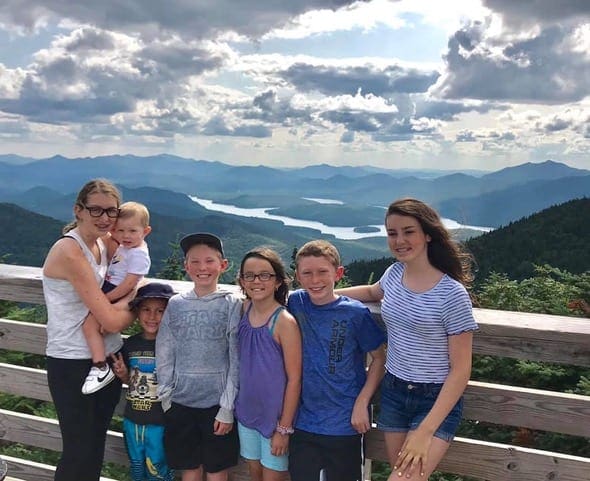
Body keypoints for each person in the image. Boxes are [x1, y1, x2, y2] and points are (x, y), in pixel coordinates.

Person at [337, 198, 478, 480]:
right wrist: (319, 294)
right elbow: (372, 292)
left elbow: (461, 371)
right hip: (394, 392)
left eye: (408, 231)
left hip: (434, 399)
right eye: (392, 233)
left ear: (427, 234)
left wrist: (425, 431)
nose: (399, 240)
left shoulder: (452, 295)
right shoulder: (394, 273)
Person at [42, 178, 135, 481]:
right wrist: (138, 294)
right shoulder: (69, 250)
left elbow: (133, 262)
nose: (105, 218)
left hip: (108, 360)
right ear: (78, 210)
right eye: (95, 210)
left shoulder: (103, 244)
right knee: (78, 451)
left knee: (94, 447)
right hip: (71, 362)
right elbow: (109, 321)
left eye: (111, 211)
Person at [287, 239, 386, 481]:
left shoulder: (355, 313)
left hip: (345, 422)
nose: (315, 279)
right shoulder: (296, 302)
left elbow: (379, 359)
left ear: (338, 273)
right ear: (298, 276)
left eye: (323, 272)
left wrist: (363, 403)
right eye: (307, 273)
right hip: (303, 421)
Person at [156, 232, 242, 481]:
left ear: (223, 265)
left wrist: (227, 407)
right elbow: (165, 349)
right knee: (189, 468)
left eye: (209, 261)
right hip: (180, 402)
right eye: (194, 261)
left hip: (217, 405)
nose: (202, 267)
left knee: (217, 470)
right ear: (186, 266)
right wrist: (166, 396)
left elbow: (235, 358)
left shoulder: (231, 304)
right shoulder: (176, 304)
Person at [234, 247, 302, 481]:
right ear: (242, 281)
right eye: (249, 275)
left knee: (274, 476)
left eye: (265, 275)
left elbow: (294, 379)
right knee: (255, 473)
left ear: (278, 281)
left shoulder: (284, 321)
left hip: (275, 419)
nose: (256, 281)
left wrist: (284, 429)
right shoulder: (244, 309)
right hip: (246, 413)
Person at [82, 201, 152, 394]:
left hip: (115, 291)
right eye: (120, 230)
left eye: (132, 231)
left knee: (89, 325)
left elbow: (130, 283)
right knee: (99, 327)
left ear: (145, 231)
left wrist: (105, 298)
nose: (125, 236)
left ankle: (99, 366)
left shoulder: (139, 254)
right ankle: (101, 359)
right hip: (112, 289)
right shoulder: (126, 246)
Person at [111, 282, 175, 481]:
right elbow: (129, 380)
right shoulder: (130, 344)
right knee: (137, 464)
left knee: (158, 465)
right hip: (133, 418)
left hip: (161, 420)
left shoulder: (173, 344)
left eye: (159, 311)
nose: (152, 316)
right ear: (137, 312)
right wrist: (122, 374)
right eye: (146, 309)